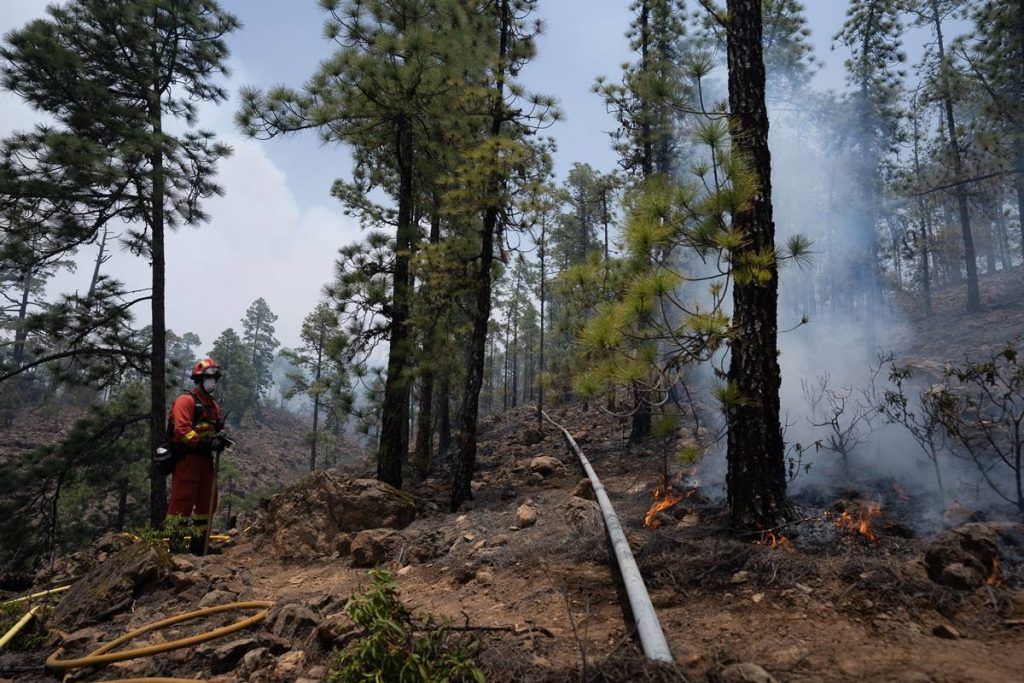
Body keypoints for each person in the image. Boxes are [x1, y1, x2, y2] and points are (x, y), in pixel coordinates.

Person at [165, 358, 227, 554]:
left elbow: (214, 428)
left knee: (207, 501)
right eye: (209, 378)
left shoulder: (214, 405)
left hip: (206, 461)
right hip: (187, 459)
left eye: (215, 378)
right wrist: (204, 443)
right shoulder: (186, 401)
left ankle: (200, 546)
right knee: (182, 501)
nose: (213, 382)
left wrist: (219, 440)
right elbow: (182, 430)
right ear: (199, 379)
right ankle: (175, 546)